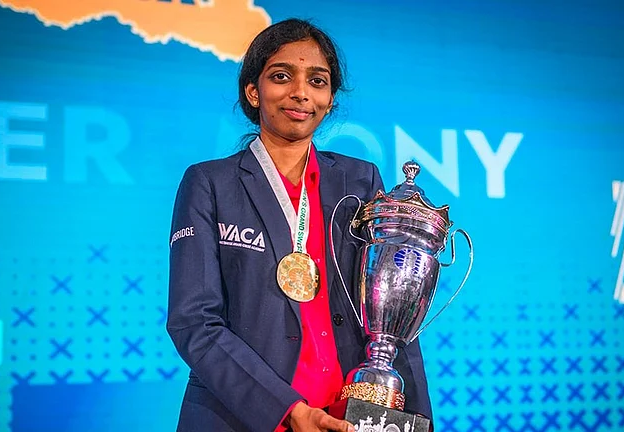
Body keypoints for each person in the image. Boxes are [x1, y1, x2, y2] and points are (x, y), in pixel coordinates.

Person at [167, 18, 433, 432]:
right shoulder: (210, 184)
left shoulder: (360, 181)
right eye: (281, 76)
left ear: (329, 99)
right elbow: (194, 322)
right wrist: (288, 410)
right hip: (243, 418)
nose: (301, 93)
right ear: (253, 91)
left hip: (349, 417)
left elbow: (392, 309)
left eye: (317, 81)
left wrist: (417, 418)